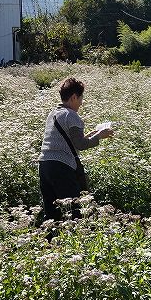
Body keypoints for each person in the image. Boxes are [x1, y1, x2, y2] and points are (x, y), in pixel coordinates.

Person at [38, 77, 114, 221]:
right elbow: (81, 145)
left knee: (52, 212)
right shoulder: (71, 115)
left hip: (44, 166)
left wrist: (91, 135)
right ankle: (77, 238)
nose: (81, 103)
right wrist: (100, 136)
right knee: (75, 210)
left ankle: (50, 241)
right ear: (73, 97)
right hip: (62, 167)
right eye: (80, 99)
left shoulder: (53, 113)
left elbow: (68, 140)